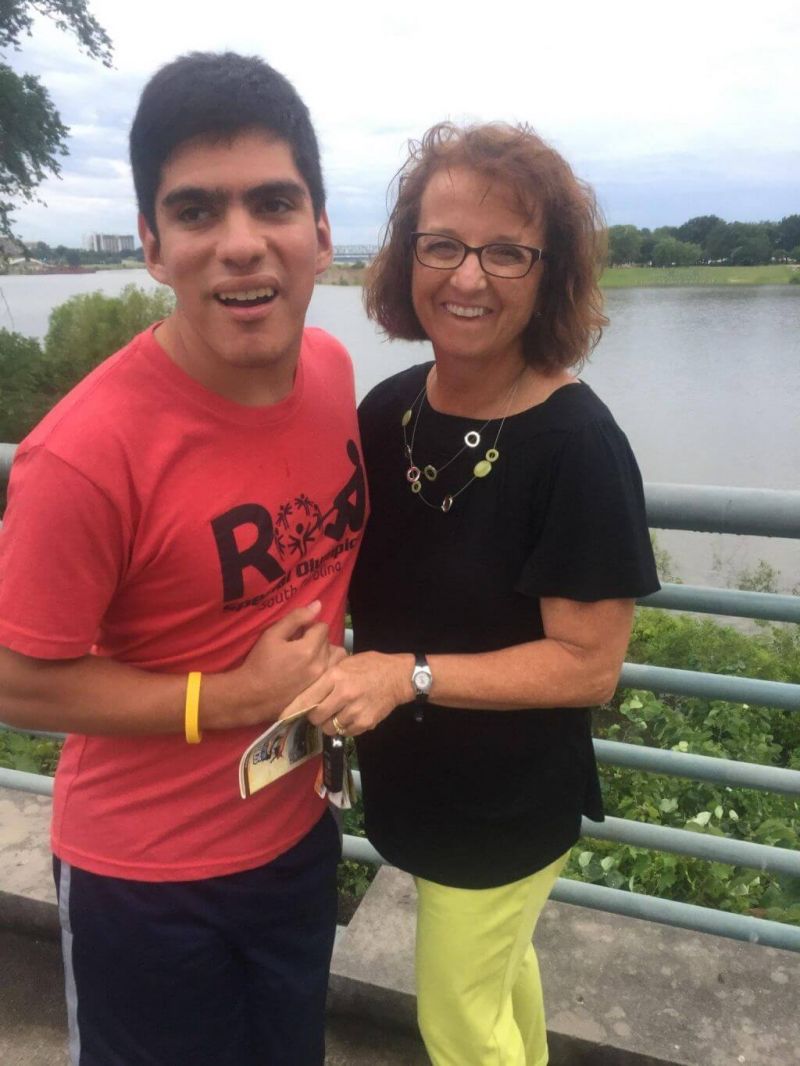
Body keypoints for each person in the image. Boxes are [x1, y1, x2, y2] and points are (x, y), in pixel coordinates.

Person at [0, 52, 366, 1066]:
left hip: (297, 835)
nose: (240, 243)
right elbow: (14, 679)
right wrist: (232, 697)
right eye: (198, 211)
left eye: (273, 203)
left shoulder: (333, 371)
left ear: (320, 234)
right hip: (145, 883)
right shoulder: (85, 455)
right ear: (154, 247)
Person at [296, 122, 660, 1065]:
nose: (468, 277)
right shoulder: (390, 411)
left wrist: (404, 676)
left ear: (549, 273)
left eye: (506, 252)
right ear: (407, 256)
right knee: (499, 981)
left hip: (505, 808)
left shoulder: (577, 446)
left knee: (457, 1023)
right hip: (417, 788)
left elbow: (589, 668)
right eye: (443, 244)